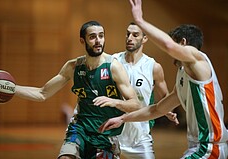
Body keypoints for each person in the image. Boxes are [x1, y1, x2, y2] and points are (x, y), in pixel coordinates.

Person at [98, 0, 228, 158]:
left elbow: (169, 46)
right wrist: (122, 118)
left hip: (208, 147)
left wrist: (140, 21)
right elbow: (157, 109)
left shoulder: (197, 58)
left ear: (183, 43)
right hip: (200, 147)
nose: (169, 53)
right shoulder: (183, 77)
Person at [15, 20, 141, 159]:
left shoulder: (113, 67)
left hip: (105, 134)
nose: (98, 41)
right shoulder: (73, 67)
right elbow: (42, 93)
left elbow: (135, 104)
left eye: (101, 36)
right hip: (79, 129)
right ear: (83, 41)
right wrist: (13, 88)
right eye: (92, 37)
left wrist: (114, 102)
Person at [95, 22, 179, 159]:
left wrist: (168, 111)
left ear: (144, 39)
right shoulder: (112, 61)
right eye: (128, 34)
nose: (129, 38)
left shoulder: (153, 67)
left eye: (135, 35)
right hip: (111, 135)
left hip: (140, 136)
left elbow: (165, 97)